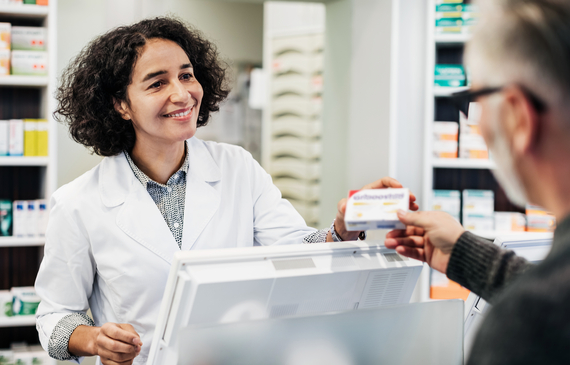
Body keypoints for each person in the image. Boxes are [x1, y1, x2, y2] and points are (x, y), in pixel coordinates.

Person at [34, 17, 418, 365]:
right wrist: (95, 339)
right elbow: (54, 317)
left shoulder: (238, 167)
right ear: (121, 105)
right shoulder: (78, 203)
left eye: (186, 76)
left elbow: (294, 251)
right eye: (158, 83)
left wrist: (342, 229)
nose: (182, 94)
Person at [385, 0, 570, 364]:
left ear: (518, 116)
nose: (475, 124)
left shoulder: (528, 325)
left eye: (476, 100)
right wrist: (465, 253)